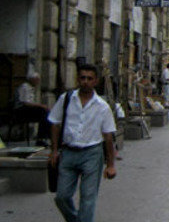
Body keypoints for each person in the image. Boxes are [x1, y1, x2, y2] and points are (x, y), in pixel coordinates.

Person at [48, 64, 116, 222]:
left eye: (89, 78)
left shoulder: (102, 107)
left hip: (92, 154)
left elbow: (108, 137)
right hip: (68, 153)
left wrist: (111, 165)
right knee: (62, 196)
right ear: (78, 79)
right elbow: (55, 124)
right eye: (82, 78)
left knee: (88, 198)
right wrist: (54, 150)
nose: (85, 81)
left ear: (96, 81)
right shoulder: (66, 99)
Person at [14, 72, 50, 146]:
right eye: (36, 80)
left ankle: (43, 137)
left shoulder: (31, 88)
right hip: (21, 110)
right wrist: (41, 106)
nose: (38, 82)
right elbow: (25, 102)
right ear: (31, 79)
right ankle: (41, 138)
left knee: (45, 114)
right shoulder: (25, 87)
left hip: (27, 109)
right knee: (43, 112)